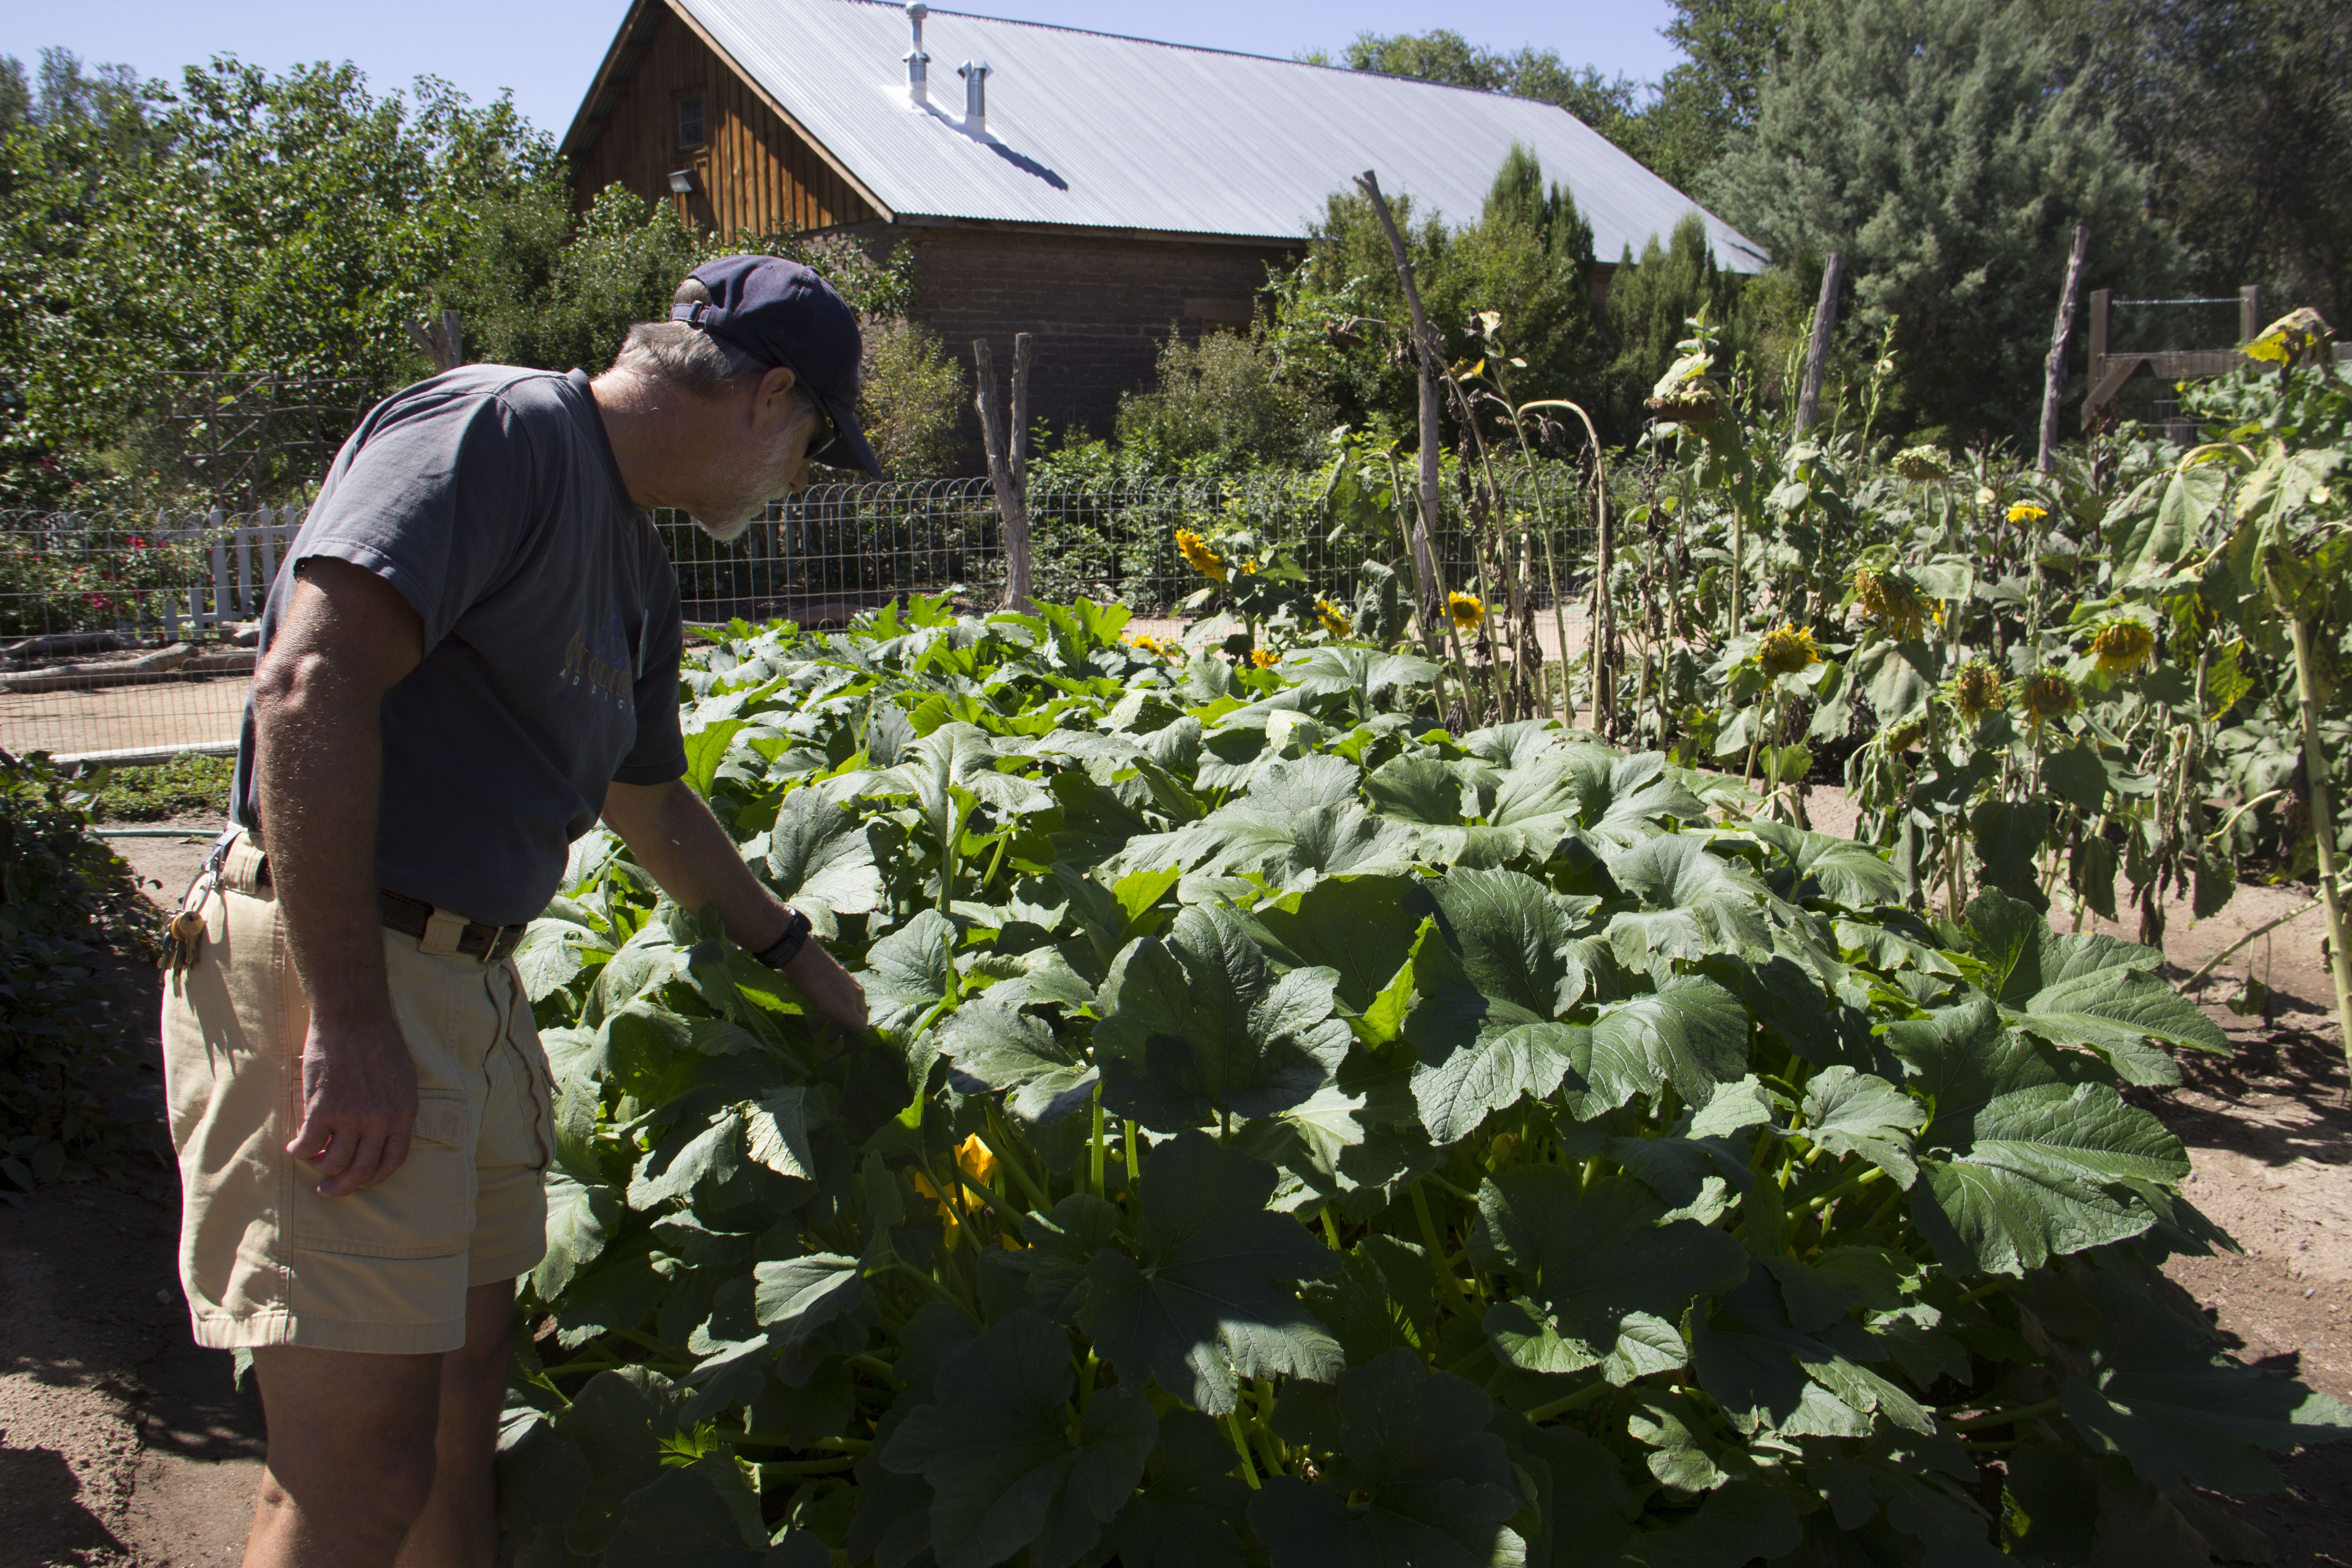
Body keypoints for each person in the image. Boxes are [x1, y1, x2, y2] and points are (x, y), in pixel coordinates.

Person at [158, 255, 874, 1568]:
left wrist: (793, 948)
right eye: (812, 445)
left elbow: (647, 804)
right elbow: (309, 685)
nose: (795, 482)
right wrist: (353, 1021)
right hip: (343, 963)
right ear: (770, 395)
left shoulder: (638, 572)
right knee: (355, 1476)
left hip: (469, 990)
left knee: (455, 1414)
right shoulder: (499, 431)